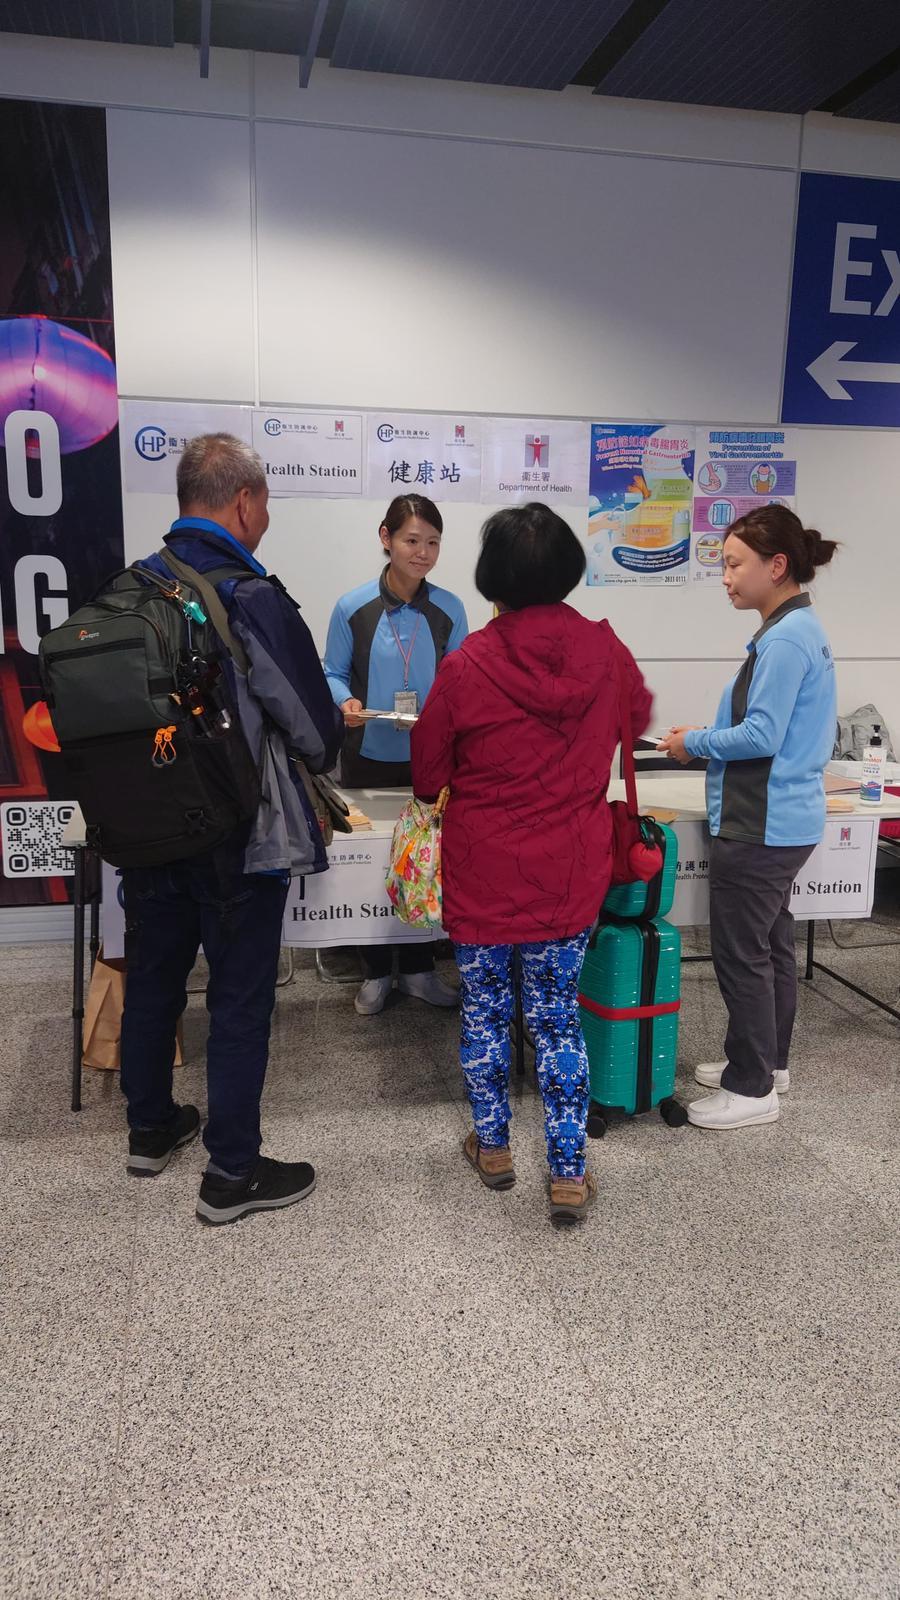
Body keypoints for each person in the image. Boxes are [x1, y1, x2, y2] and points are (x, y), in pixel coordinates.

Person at [120, 434, 343, 1224]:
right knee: (240, 998)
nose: (267, 518)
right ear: (244, 503)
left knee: (154, 978)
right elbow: (315, 730)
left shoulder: (129, 589)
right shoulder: (249, 596)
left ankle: (150, 1130)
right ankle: (232, 1175)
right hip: (235, 835)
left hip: (146, 829)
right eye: (268, 504)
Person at [411, 503, 652, 1223]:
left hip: (484, 870)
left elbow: (428, 776)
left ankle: (493, 1147)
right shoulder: (608, 654)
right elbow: (633, 721)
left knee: (485, 1014)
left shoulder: (465, 665)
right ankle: (570, 1170)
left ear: (494, 578)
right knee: (557, 1022)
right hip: (568, 872)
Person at [659, 506, 838, 1131]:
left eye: (734, 564)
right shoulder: (792, 627)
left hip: (760, 823)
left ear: (776, 565)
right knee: (769, 946)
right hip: (780, 819)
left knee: (742, 954)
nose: (726, 577)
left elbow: (761, 734)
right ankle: (768, 1061)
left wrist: (695, 742)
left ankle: (752, 1086)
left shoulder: (786, 638)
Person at [324, 494, 468, 1016]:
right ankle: (376, 971)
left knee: (422, 863)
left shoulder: (450, 608)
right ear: (385, 538)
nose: (423, 552)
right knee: (373, 862)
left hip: (429, 760)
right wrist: (347, 702)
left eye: (432, 542)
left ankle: (420, 970)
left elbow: (463, 682)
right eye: (412, 540)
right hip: (366, 755)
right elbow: (332, 672)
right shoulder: (353, 606)